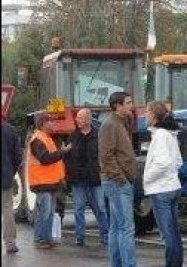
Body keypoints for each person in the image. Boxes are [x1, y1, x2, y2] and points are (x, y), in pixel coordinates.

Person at [99, 91, 137, 267]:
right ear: (118, 106)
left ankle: (117, 264)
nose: (132, 105)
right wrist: (121, 179)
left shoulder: (121, 123)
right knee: (126, 228)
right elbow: (106, 156)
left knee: (116, 226)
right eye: (128, 102)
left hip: (118, 181)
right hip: (117, 182)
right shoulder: (110, 125)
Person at [143, 101, 183, 267]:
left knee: (167, 235)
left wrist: (147, 178)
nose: (144, 115)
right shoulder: (170, 134)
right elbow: (178, 161)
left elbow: (163, 163)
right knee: (174, 233)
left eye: (147, 111)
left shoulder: (160, 135)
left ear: (153, 115)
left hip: (161, 190)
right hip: (173, 187)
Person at [64, 108, 109, 247]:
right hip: (78, 179)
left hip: (96, 178)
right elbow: (67, 156)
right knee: (78, 208)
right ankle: (80, 236)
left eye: (80, 118)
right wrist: (71, 172)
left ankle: (105, 235)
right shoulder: (72, 136)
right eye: (77, 118)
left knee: (101, 207)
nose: (77, 120)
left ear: (88, 120)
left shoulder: (99, 135)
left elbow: (104, 155)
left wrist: (102, 170)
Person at [27, 113, 71, 249]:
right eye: (50, 122)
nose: (53, 124)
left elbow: (53, 162)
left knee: (49, 213)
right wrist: (62, 151)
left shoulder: (46, 138)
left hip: (50, 182)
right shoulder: (37, 139)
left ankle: (46, 238)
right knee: (44, 213)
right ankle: (40, 239)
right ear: (42, 124)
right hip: (42, 183)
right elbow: (45, 159)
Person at [2, 117, 23, 254]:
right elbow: (18, 156)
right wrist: (11, 171)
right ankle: (10, 243)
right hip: (5, 177)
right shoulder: (10, 130)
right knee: (7, 209)